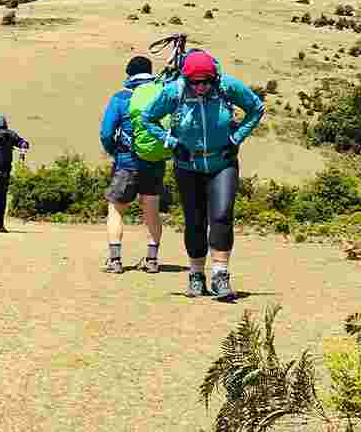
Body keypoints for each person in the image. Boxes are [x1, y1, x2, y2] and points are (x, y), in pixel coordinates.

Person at [141, 50, 265, 301]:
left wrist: (236, 138)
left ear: (214, 78)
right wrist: (172, 142)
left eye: (206, 81)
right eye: (195, 82)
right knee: (195, 221)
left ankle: (220, 275)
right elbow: (147, 118)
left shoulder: (227, 86)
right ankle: (196, 276)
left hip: (223, 161)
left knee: (221, 216)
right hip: (188, 165)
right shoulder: (174, 91)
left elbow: (256, 108)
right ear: (186, 79)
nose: (201, 87)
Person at [98, 56, 166, 274]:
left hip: (126, 162)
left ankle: (115, 260)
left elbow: (107, 132)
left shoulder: (120, 98)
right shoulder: (161, 95)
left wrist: (114, 152)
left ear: (129, 74)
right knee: (152, 211)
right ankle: (152, 260)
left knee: (117, 209)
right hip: (155, 161)